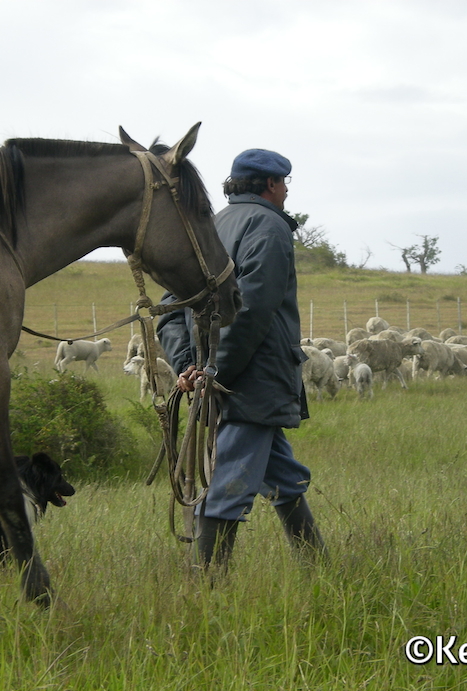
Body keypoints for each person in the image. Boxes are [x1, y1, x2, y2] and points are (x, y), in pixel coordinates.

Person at [157, 148, 327, 573]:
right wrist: (216, 374)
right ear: (270, 185)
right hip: (251, 379)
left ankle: (323, 572)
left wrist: (187, 364)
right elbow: (251, 310)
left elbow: (170, 304)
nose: (287, 189)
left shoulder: (212, 225)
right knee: (229, 484)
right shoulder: (269, 227)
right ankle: (204, 587)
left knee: (283, 478)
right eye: (284, 182)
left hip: (221, 375)